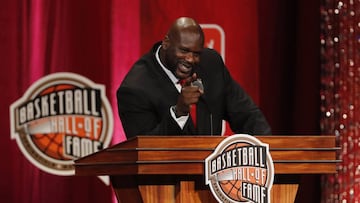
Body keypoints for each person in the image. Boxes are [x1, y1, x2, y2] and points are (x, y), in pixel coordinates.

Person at [117, 17, 271, 139]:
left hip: (214, 173)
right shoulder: (135, 89)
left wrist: (268, 153)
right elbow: (145, 152)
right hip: (170, 177)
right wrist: (179, 112)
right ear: (166, 43)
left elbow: (247, 115)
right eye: (183, 51)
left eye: (196, 53)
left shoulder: (210, 64)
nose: (190, 59)